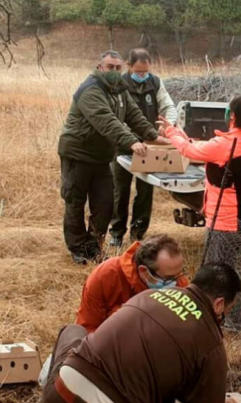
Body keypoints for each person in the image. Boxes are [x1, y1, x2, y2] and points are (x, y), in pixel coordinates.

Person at [40, 263, 241, 403]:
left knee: (73, 331)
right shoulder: (209, 342)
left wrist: (213, 399)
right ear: (219, 304)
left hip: (56, 399)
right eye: (226, 311)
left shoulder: (149, 296)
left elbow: (153, 364)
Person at [157, 94, 241, 333]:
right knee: (230, 272)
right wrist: (179, 134)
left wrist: (171, 132)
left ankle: (227, 325)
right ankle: (225, 322)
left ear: (232, 116)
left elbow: (188, 150)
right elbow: (200, 148)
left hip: (225, 223)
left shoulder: (226, 145)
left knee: (220, 277)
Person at [58, 50, 169, 265]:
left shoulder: (119, 89)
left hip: (101, 157)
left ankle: (94, 248)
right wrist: (131, 141)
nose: (115, 71)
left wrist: (153, 136)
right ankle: (78, 250)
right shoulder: (90, 89)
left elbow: (133, 114)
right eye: (110, 67)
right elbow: (106, 120)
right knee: (75, 202)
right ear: (100, 66)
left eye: (118, 67)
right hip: (77, 153)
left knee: (105, 205)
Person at [109, 48, 178, 247]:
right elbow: (113, 117)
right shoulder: (118, 85)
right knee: (119, 191)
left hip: (149, 145)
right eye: (138, 72)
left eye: (145, 71)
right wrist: (129, 139)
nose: (142, 75)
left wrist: (168, 124)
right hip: (123, 145)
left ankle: (137, 234)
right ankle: (116, 233)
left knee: (145, 191)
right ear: (129, 67)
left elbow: (168, 106)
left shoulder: (155, 82)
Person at [75, 233, 189, 333]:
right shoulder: (105, 276)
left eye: (179, 275)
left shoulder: (179, 282)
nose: (176, 283)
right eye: (168, 278)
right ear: (144, 271)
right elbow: (87, 328)